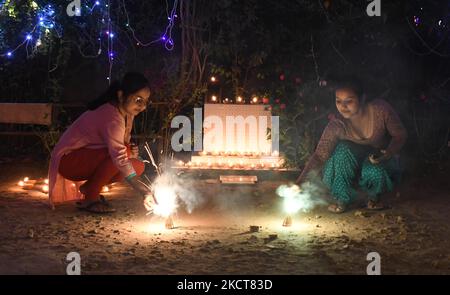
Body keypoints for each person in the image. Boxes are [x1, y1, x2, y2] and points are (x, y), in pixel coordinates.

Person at [296, 77, 407, 213]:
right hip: (352, 165)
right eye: (338, 101)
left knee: (375, 169)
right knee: (341, 150)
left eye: (349, 101)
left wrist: (388, 153)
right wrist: (299, 183)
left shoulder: (380, 110)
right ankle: (342, 199)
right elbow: (320, 156)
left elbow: (400, 135)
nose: (343, 106)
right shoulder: (337, 125)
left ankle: (373, 198)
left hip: (378, 159)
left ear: (362, 99)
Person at [48, 72, 155, 213]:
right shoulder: (112, 116)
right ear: (121, 95)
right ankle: (90, 198)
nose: (143, 106)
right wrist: (144, 191)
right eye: (138, 100)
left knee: (138, 165)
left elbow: (121, 148)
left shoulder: (126, 114)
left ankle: (90, 187)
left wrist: (130, 150)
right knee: (125, 155)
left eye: (146, 101)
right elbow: (119, 157)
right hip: (68, 161)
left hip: (85, 158)